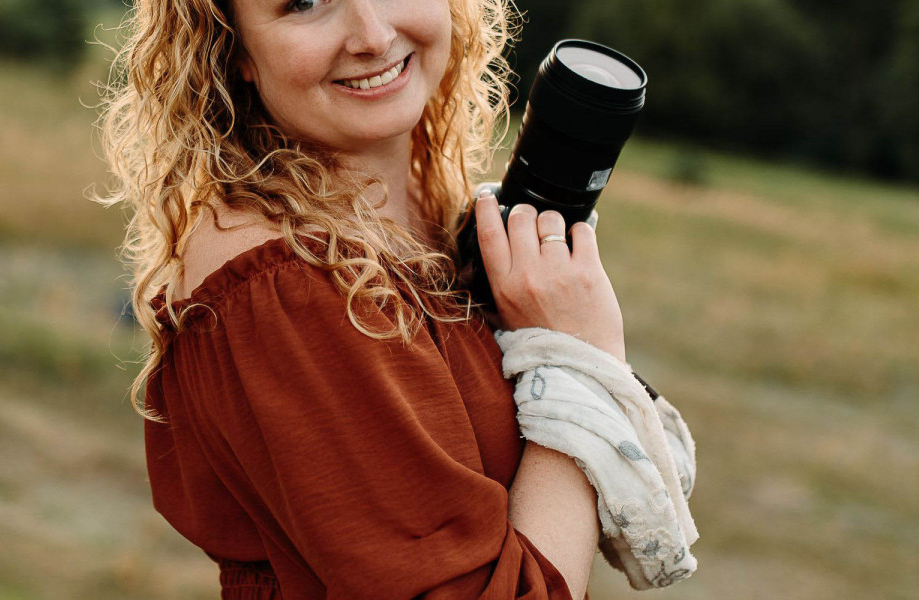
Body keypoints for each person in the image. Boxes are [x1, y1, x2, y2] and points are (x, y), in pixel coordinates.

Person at [96, 0, 633, 597]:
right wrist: (580, 364)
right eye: (304, 2)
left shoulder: (418, 210)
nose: (373, 35)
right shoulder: (285, 282)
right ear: (232, 44)